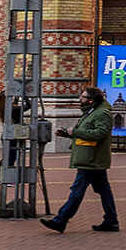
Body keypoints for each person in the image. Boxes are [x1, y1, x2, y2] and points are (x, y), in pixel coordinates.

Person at [40, 85, 119, 235]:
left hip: (91, 159)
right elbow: (87, 132)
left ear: (91, 100)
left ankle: (60, 220)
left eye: (83, 97)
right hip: (91, 158)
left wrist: (76, 132)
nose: (80, 99)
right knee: (104, 191)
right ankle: (111, 220)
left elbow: (100, 133)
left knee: (77, 190)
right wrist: (68, 134)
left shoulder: (102, 113)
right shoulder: (92, 111)